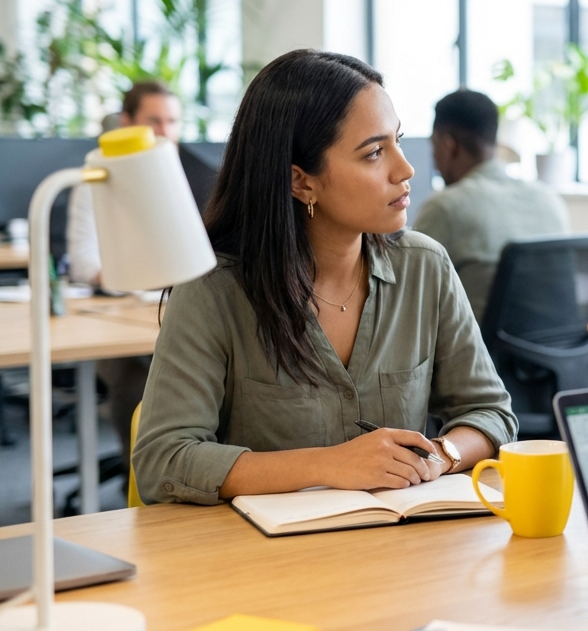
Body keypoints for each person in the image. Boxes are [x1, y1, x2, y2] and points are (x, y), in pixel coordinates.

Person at [134, 50, 517, 505]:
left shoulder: (424, 266)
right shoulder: (213, 288)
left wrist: (438, 454)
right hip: (261, 562)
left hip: (401, 552)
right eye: (375, 152)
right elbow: (163, 460)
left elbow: (490, 411)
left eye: (397, 140)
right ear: (301, 182)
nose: (406, 169)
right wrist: (330, 464)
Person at [65, 81, 183, 474]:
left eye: (173, 121)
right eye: (154, 121)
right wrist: (137, 277)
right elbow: (82, 261)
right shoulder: (98, 174)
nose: (165, 132)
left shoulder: (203, 177)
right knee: (135, 378)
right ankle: (144, 477)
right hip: (119, 315)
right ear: (126, 122)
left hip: (183, 308)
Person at [411, 89, 569, 323]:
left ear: (448, 145)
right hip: (558, 357)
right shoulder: (549, 199)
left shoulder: (445, 207)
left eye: (434, 146)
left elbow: (406, 297)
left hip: (478, 358)